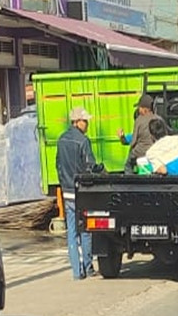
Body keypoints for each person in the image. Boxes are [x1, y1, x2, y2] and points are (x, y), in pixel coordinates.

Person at [56, 107, 100, 280]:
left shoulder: (61, 140)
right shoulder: (83, 141)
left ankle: (76, 271)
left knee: (72, 231)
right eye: (85, 121)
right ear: (77, 122)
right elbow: (89, 167)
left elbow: (58, 165)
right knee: (86, 229)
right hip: (82, 191)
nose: (87, 124)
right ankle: (88, 267)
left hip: (67, 191)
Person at [118, 94, 165, 173]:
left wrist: (121, 136)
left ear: (144, 109)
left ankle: (129, 182)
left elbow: (133, 142)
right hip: (156, 152)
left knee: (128, 166)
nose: (138, 109)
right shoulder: (158, 119)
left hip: (139, 152)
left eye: (139, 107)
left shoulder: (139, 120)